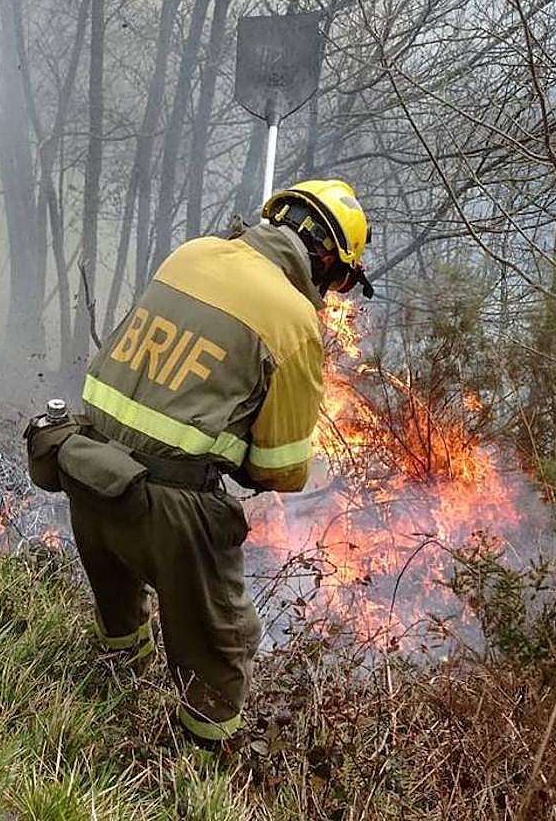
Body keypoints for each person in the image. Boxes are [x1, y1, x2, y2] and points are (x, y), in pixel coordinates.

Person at [60, 179, 370, 743]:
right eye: (343, 281)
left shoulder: (191, 252)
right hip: (170, 514)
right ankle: (196, 774)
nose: (335, 294)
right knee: (223, 656)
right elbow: (279, 469)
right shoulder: (293, 319)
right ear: (327, 260)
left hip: (83, 470)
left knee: (120, 615)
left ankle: (102, 704)